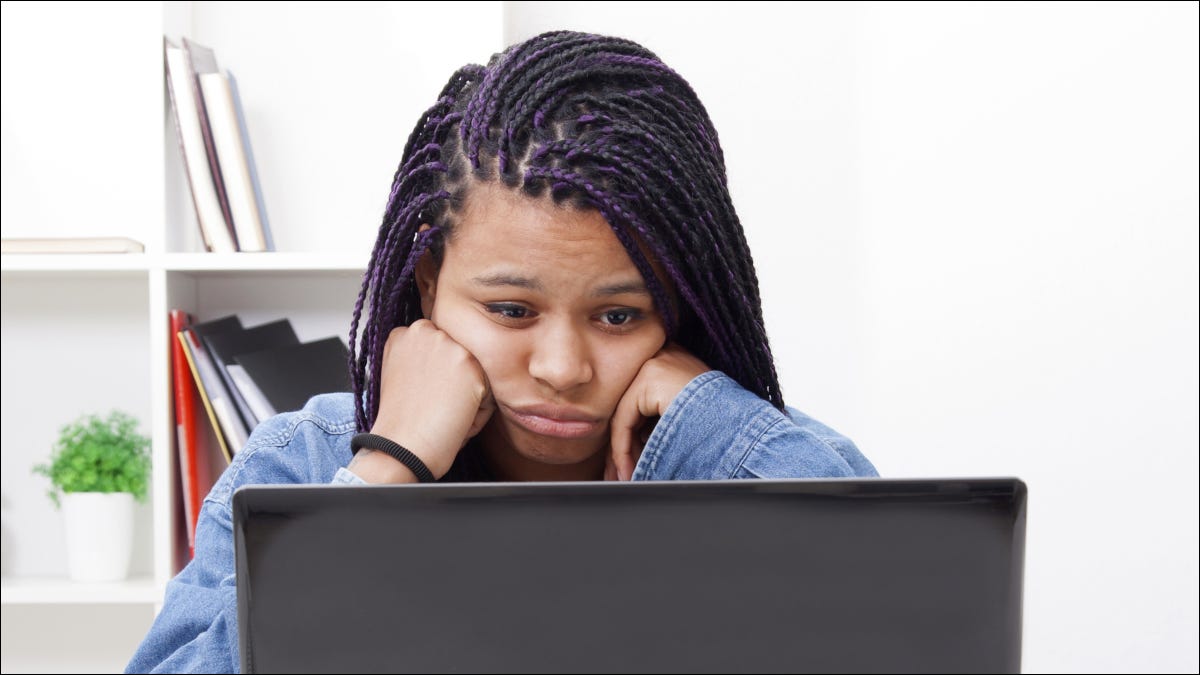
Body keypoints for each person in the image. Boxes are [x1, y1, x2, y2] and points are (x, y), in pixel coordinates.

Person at [126, 30, 877, 673]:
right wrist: (387, 466)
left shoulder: (760, 456)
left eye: (619, 315)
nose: (561, 366)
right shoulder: (305, 463)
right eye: (511, 309)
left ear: (679, 305)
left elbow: (911, 628)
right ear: (428, 282)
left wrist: (711, 424)